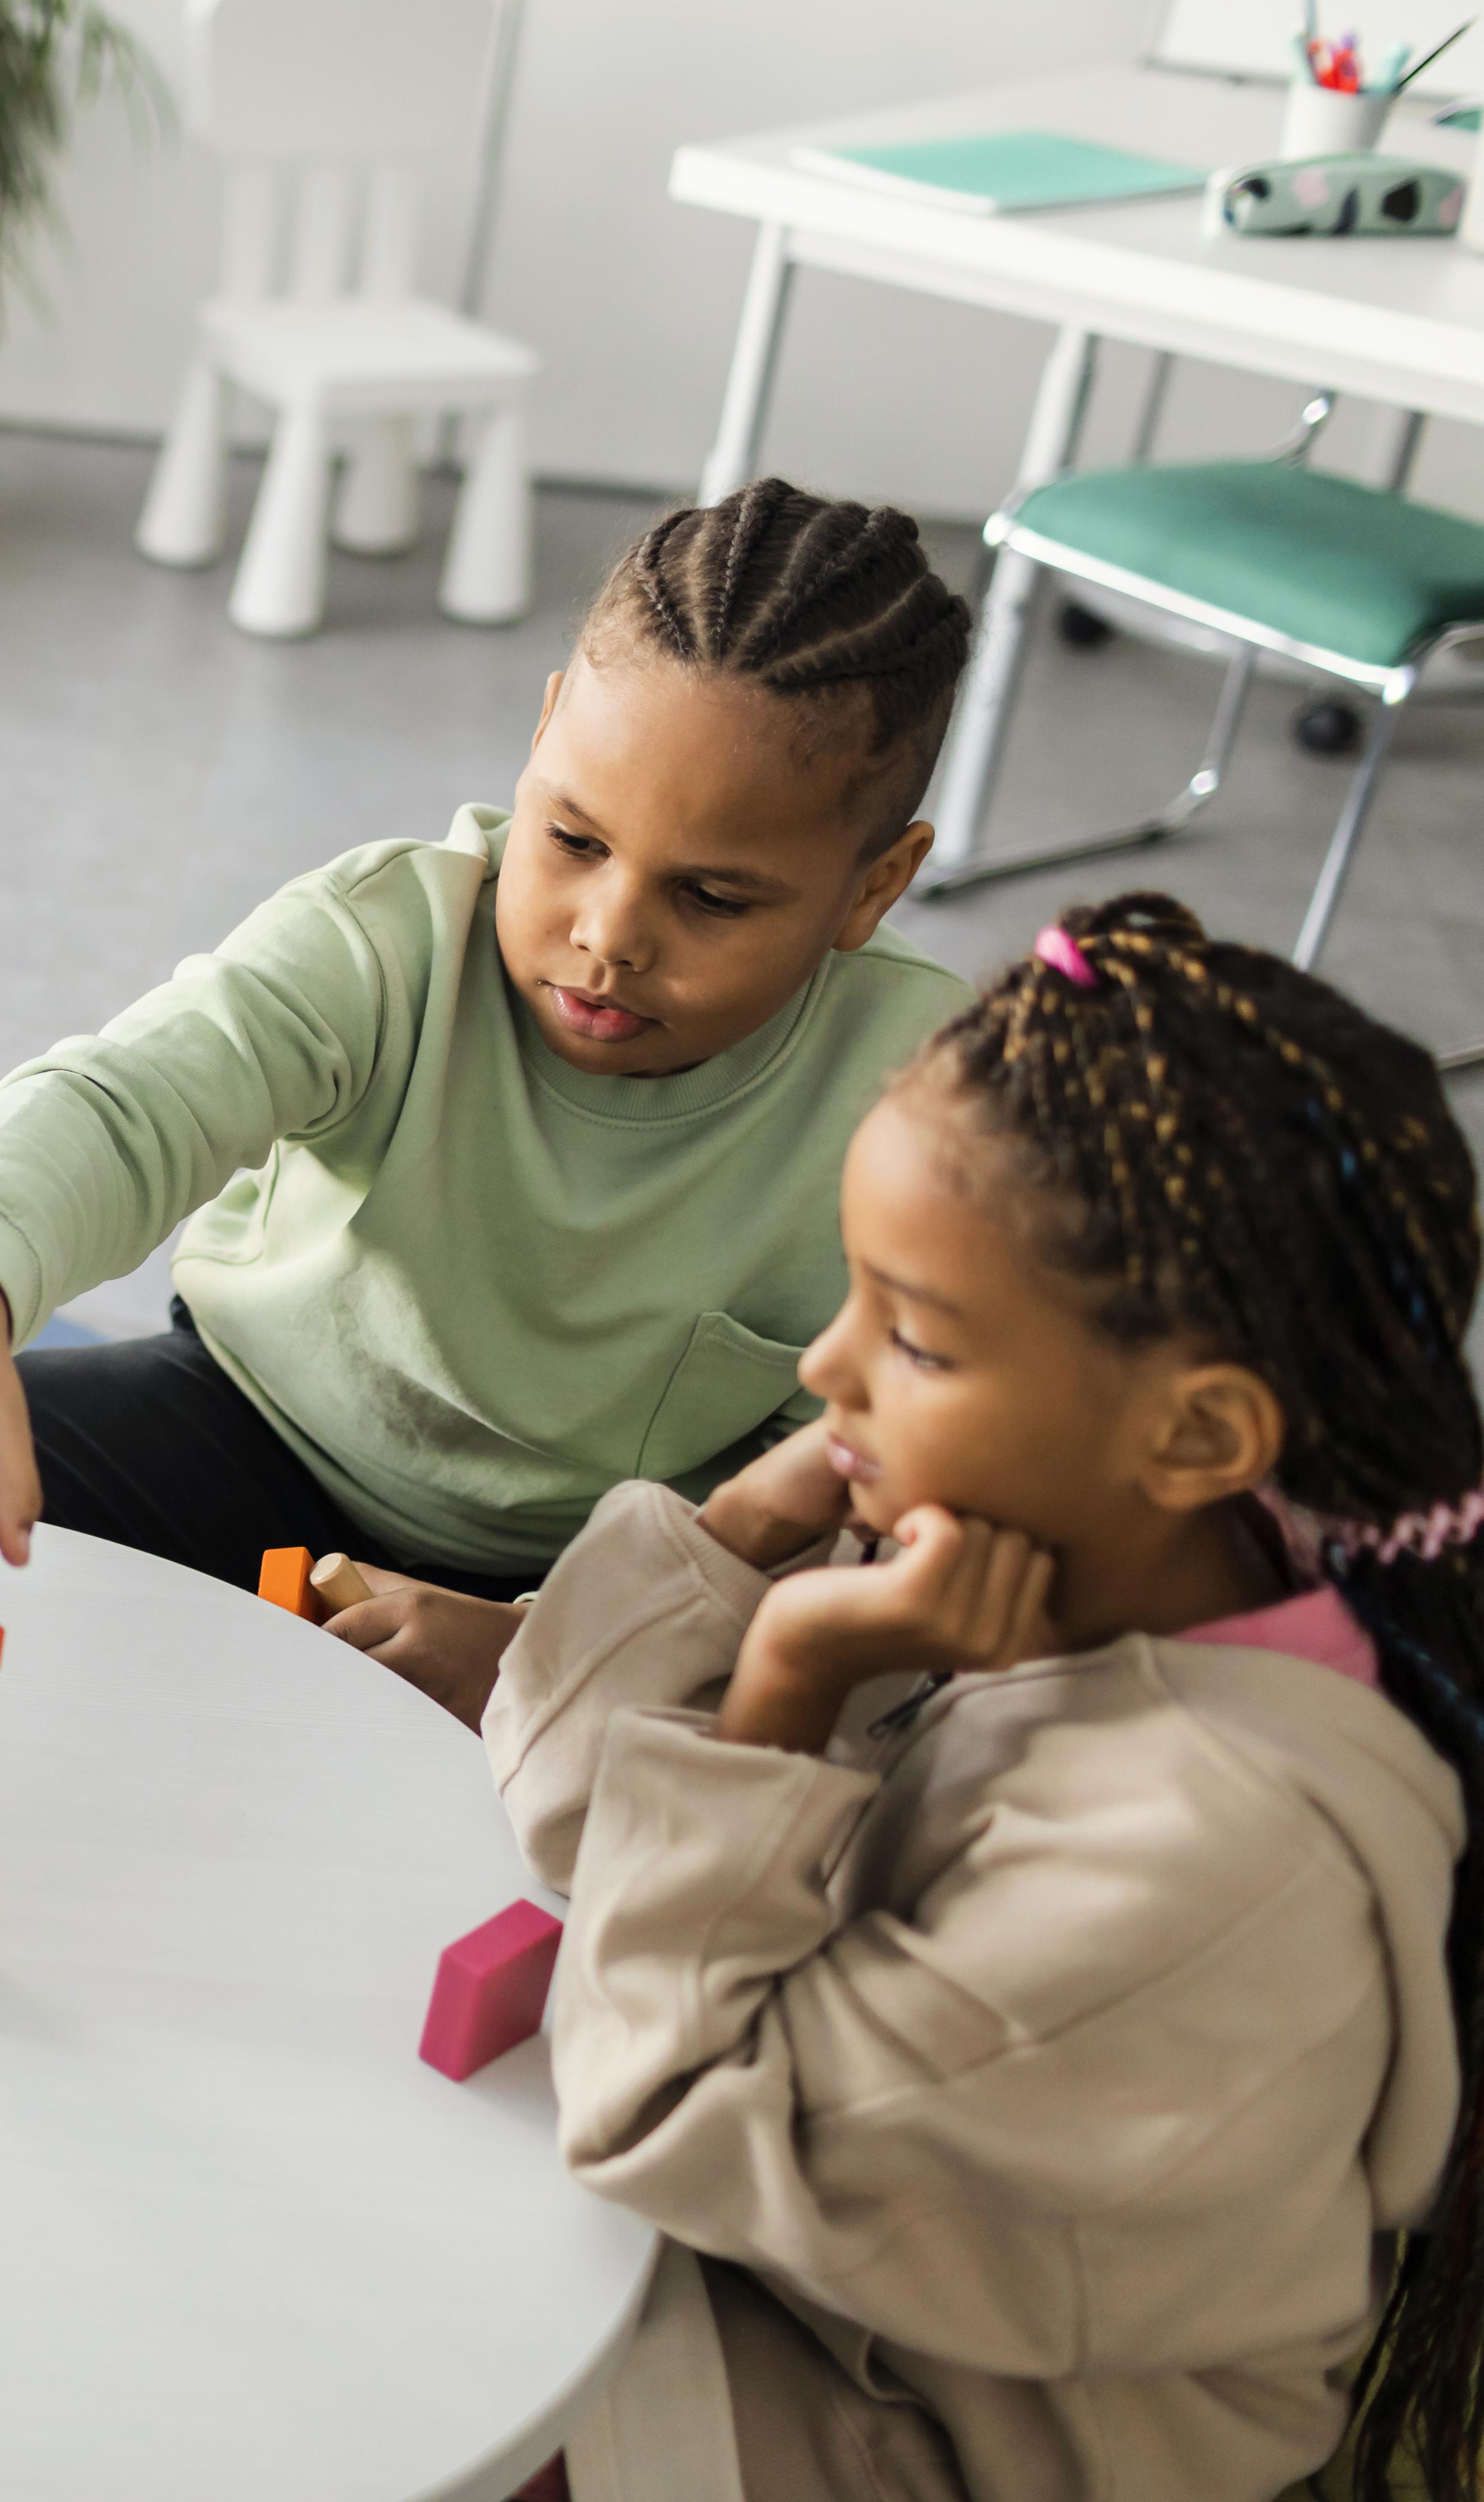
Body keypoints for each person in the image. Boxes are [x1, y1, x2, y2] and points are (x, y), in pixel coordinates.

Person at [493, 897, 1481, 2502]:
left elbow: (656, 2106)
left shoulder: (1204, 1871)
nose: (826, 1367)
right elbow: (564, 1826)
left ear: (1195, 1436)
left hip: (900, 2442)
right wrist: (755, 1526)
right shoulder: (1099, 1541)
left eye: (918, 1340)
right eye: (853, 1295)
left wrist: (792, 1671)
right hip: (794, 2301)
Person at [0, 480, 974, 1717]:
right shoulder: (387, 934)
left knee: (821, 1718)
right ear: (545, 735)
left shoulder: (923, 1103)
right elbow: (124, 1105)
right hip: (248, 1426)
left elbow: (851, 1489)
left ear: (877, 884)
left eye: (712, 898)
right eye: (574, 839)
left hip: (594, 1569)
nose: (608, 937)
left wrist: (552, 1643)